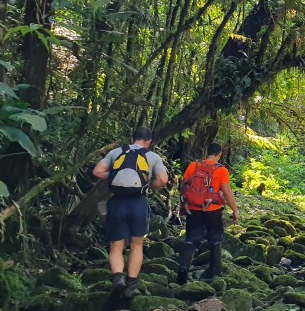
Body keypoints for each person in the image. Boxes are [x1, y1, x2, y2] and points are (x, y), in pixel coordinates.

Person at [92, 127, 169, 298]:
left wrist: (112, 178)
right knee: (136, 244)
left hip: (117, 202)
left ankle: (118, 278)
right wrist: (151, 185)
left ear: (133, 138)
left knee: (116, 246)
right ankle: (131, 284)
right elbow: (163, 179)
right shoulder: (152, 156)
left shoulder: (116, 152)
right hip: (138, 203)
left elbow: (97, 171)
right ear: (149, 142)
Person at [176, 142, 239, 283]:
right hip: (213, 209)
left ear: (206, 152)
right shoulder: (221, 170)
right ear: (219, 155)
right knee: (215, 239)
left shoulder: (193, 166)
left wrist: (182, 204)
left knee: (191, 239)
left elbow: (183, 186)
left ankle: (183, 268)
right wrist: (235, 210)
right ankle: (214, 271)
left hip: (193, 208)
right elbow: (227, 192)